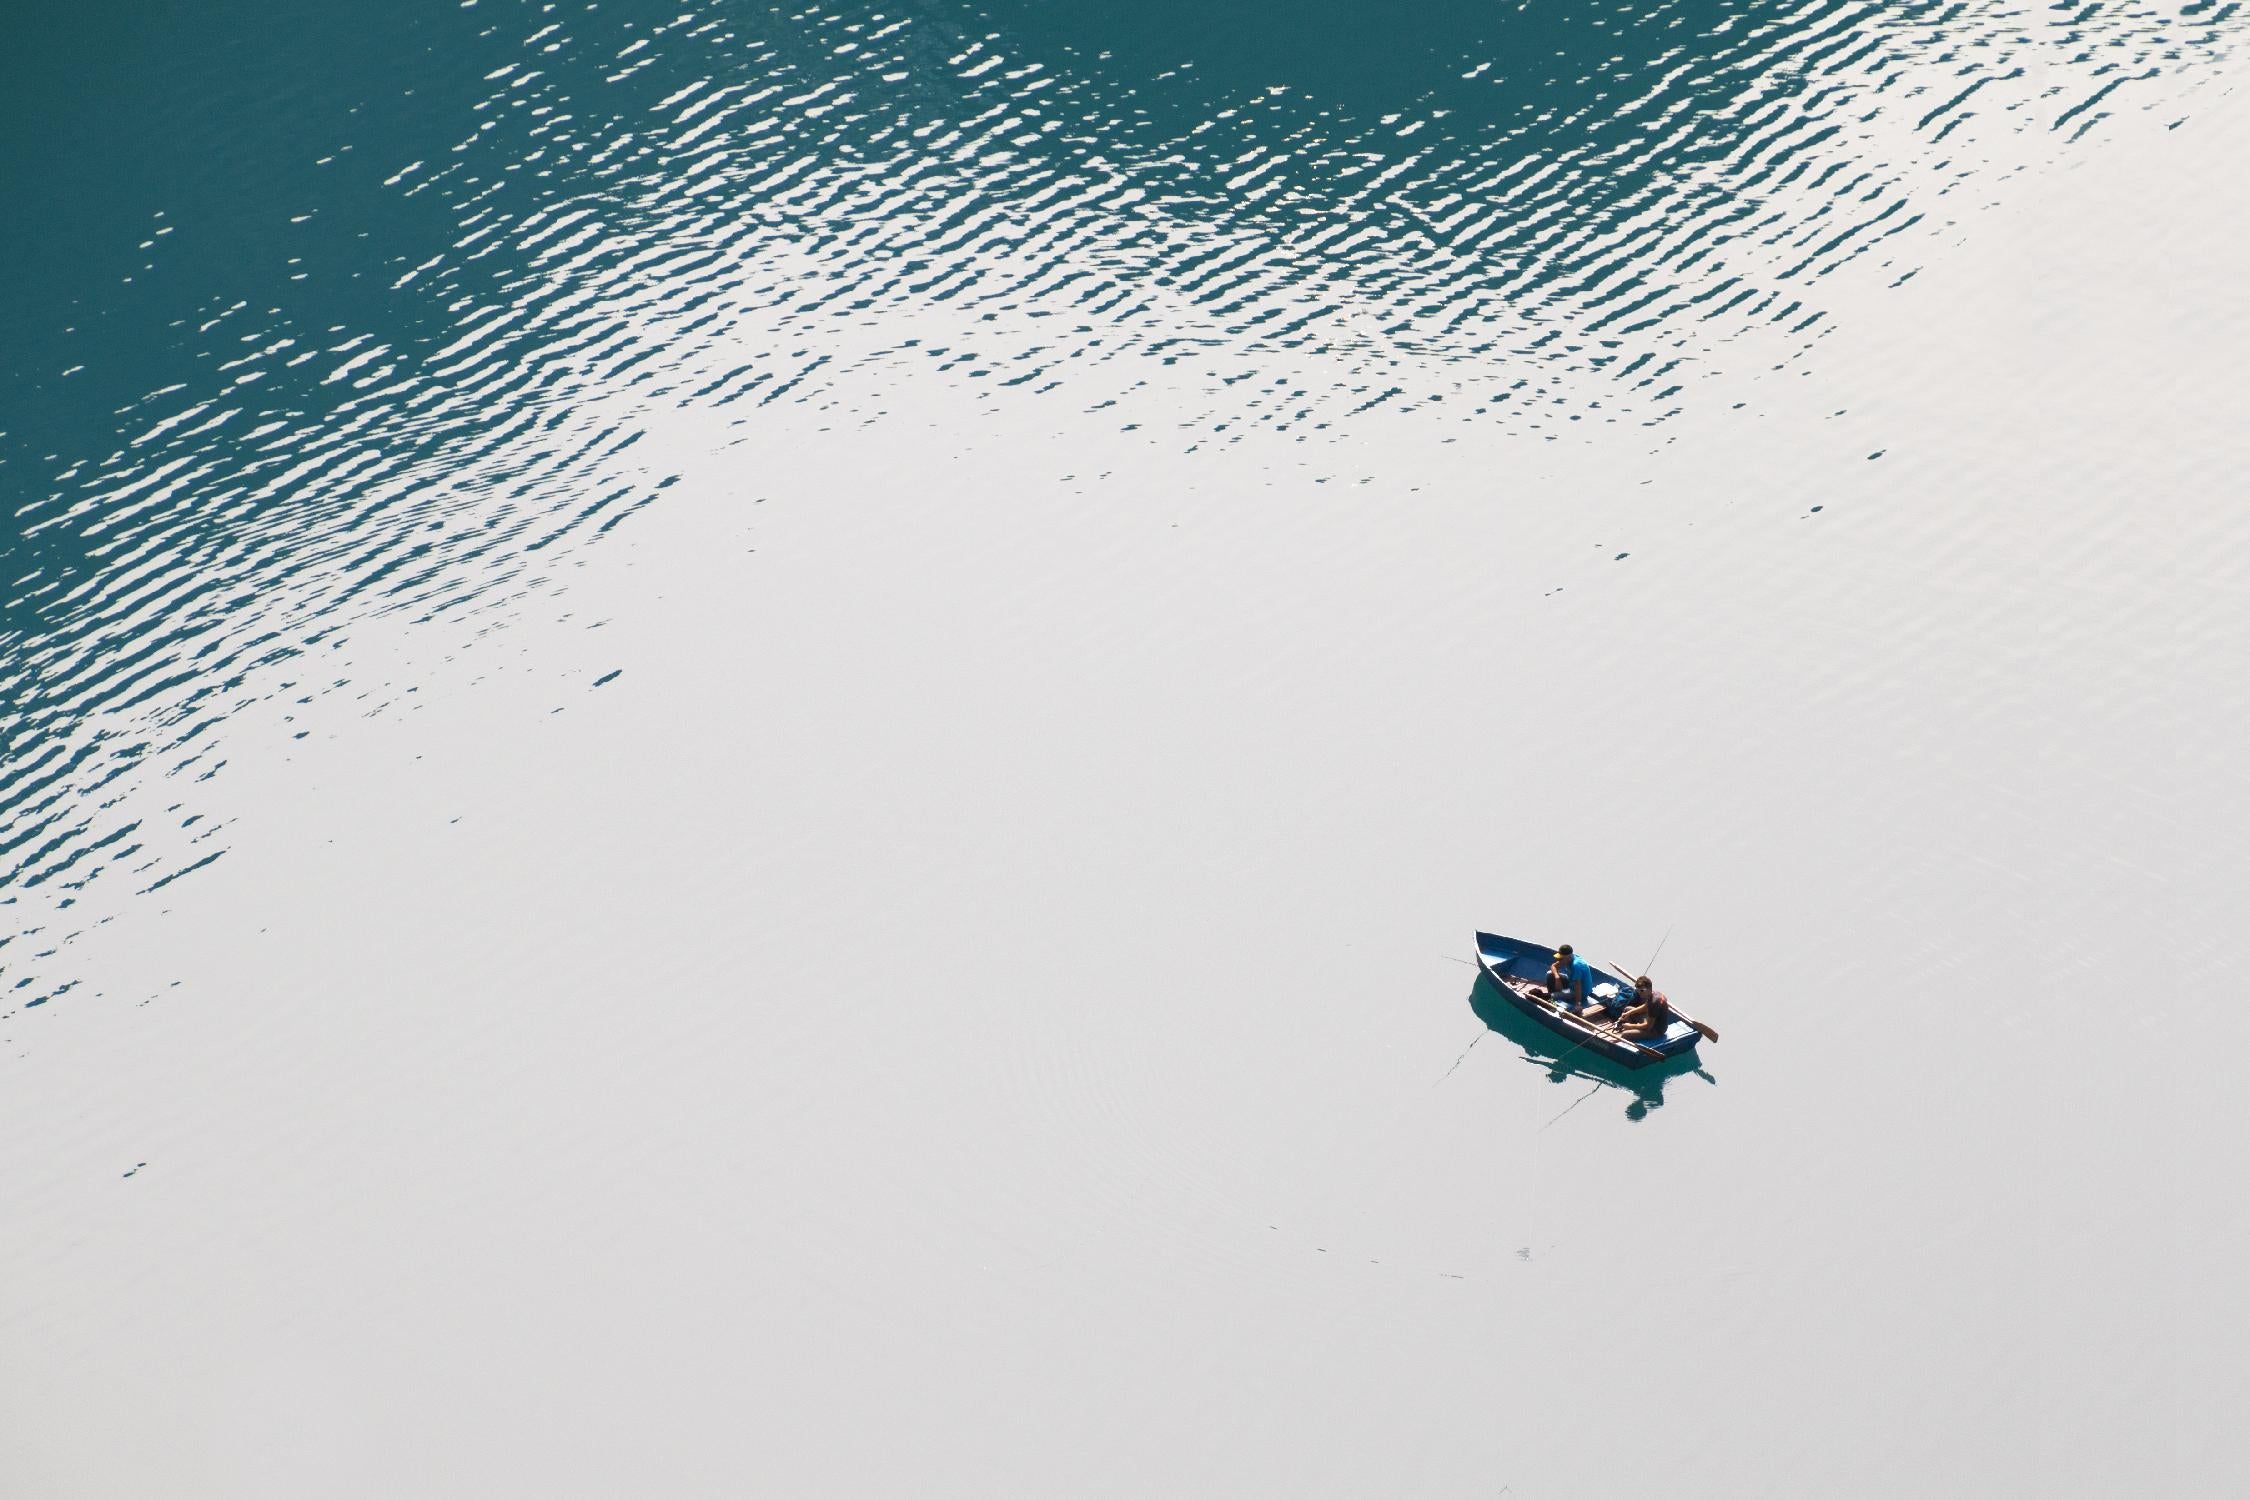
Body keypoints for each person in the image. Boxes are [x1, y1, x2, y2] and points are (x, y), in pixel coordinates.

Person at [1615, 975, 1672, 1040]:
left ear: (1649, 988)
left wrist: (1630, 1026)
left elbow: (1648, 1027)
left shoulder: (1654, 1002)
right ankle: (1634, 1029)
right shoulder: (1654, 993)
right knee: (1627, 1009)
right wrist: (1629, 1013)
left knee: (1624, 1034)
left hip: (1656, 1030)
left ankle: (1633, 1032)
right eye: (1638, 990)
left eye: (1642, 990)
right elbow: (1645, 1007)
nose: (1639, 993)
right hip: (1650, 1021)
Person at [1541, 945, 1592, 1012]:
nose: (1559, 960)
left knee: (1552, 996)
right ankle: (1558, 995)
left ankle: (1554, 997)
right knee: (1550, 974)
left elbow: (1578, 986)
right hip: (1571, 983)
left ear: (1568, 956)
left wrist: (1578, 1004)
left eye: (1561, 958)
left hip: (1581, 991)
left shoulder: (1576, 965)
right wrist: (1557, 978)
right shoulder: (1568, 959)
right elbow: (1553, 966)